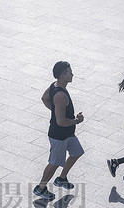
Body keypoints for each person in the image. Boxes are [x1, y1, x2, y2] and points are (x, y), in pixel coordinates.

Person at [33, 61, 85, 200]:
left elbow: (44, 98)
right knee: (54, 162)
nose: (72, 74)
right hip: (59, 136)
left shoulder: (53, 86)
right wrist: (76, 121)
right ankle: (41, 187)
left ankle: (62, 179)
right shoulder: (60, 95)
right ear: (62, 75)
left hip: (68, 134)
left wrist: (55, 111)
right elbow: (61, 122)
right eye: (69, 72)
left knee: (77, 152)